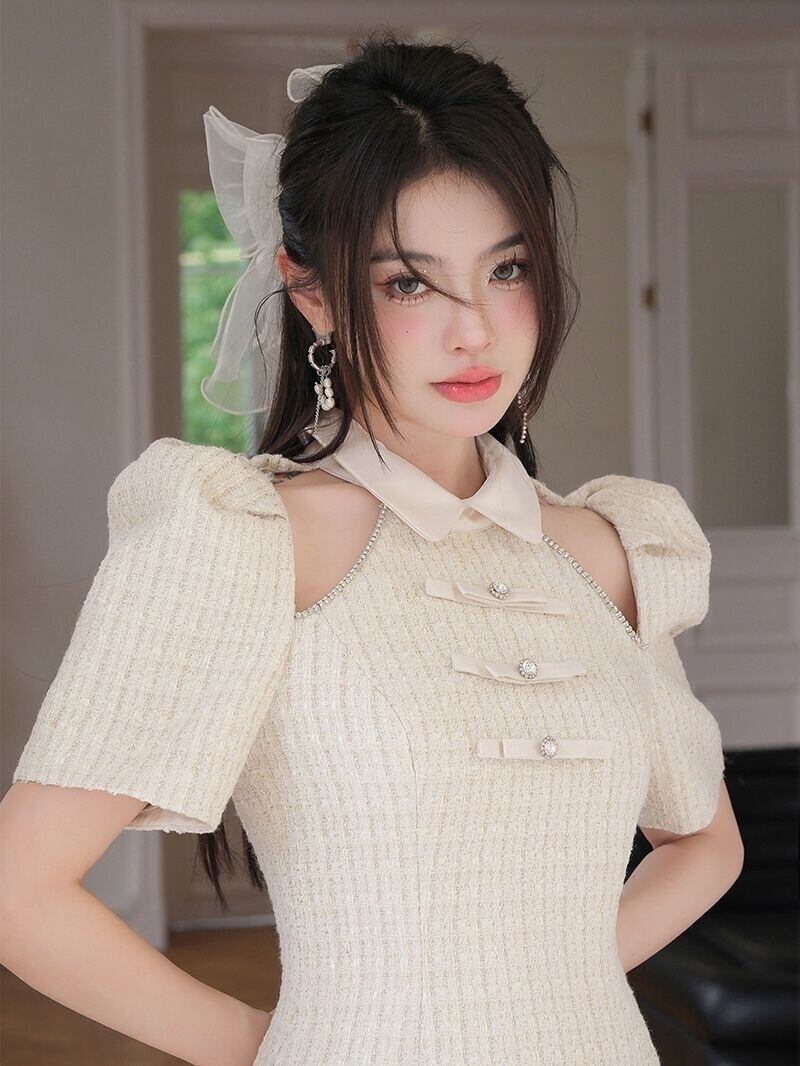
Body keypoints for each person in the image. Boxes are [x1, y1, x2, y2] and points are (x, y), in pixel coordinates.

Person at [0, 29, 744, 1066]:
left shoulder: (609, 551)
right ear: (310, 290)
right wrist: (270, 1046)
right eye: (408, 283)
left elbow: (706, 843)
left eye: (507, 268)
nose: (473, 330)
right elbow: (20, 891)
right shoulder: (249, 542)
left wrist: (547, 979)